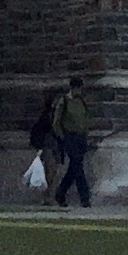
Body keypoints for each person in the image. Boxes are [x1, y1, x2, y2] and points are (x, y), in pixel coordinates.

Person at [51, 75, 93, 210]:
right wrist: (62, 137)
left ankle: (60, 193)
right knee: (77, 167)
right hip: (69, 137)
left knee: (74, 168)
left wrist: (86, 135)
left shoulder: (81, 102)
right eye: (77, 89)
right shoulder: (64, 101)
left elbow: (85, 119)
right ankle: (84, 197)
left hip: (80, 138)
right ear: (73, 88)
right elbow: (56, 122)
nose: (79, 91)